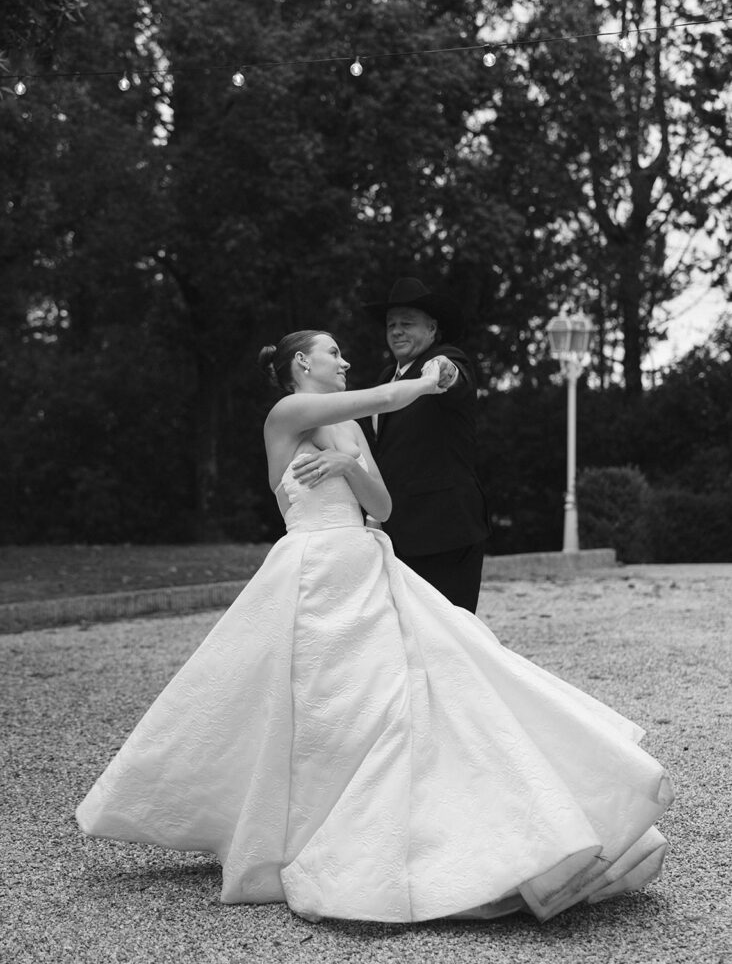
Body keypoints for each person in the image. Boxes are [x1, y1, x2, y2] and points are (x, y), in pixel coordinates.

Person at [76, 329, 673, 925]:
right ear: (302, 363)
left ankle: (455, 833)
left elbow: (382, 507)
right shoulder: (287, 413)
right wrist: (426, 381)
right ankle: (319, 831)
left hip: (367, 566)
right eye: (334, 353)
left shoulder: (351, 430)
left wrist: (346, 464)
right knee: (323, 710)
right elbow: (385, 399)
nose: (346, 360)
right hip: (313, 576)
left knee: (423, 691)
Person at [361, 277, 489, 612]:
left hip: (445, 531)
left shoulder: (445, 359)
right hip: (396, 533)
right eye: (391, 324)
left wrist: (440, 372)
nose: (397, 331)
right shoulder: (387, 378)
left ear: (432, 329)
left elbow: (451, 375)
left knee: (452, 639)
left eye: (407, 323)